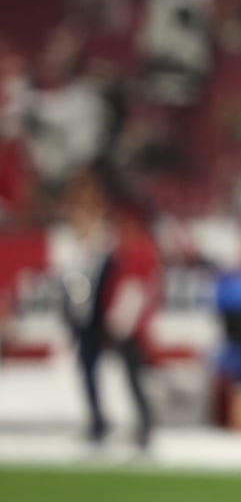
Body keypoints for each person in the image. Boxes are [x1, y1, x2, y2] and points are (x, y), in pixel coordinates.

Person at [61, 177, 160, 450]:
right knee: (112, 375)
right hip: (105, 324)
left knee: (132, 375)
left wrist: (117, 323)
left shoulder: (129, 252)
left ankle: (143, 425)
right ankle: (107, 423)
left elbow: (132, 290)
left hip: (117, 325)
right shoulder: (102, 252)